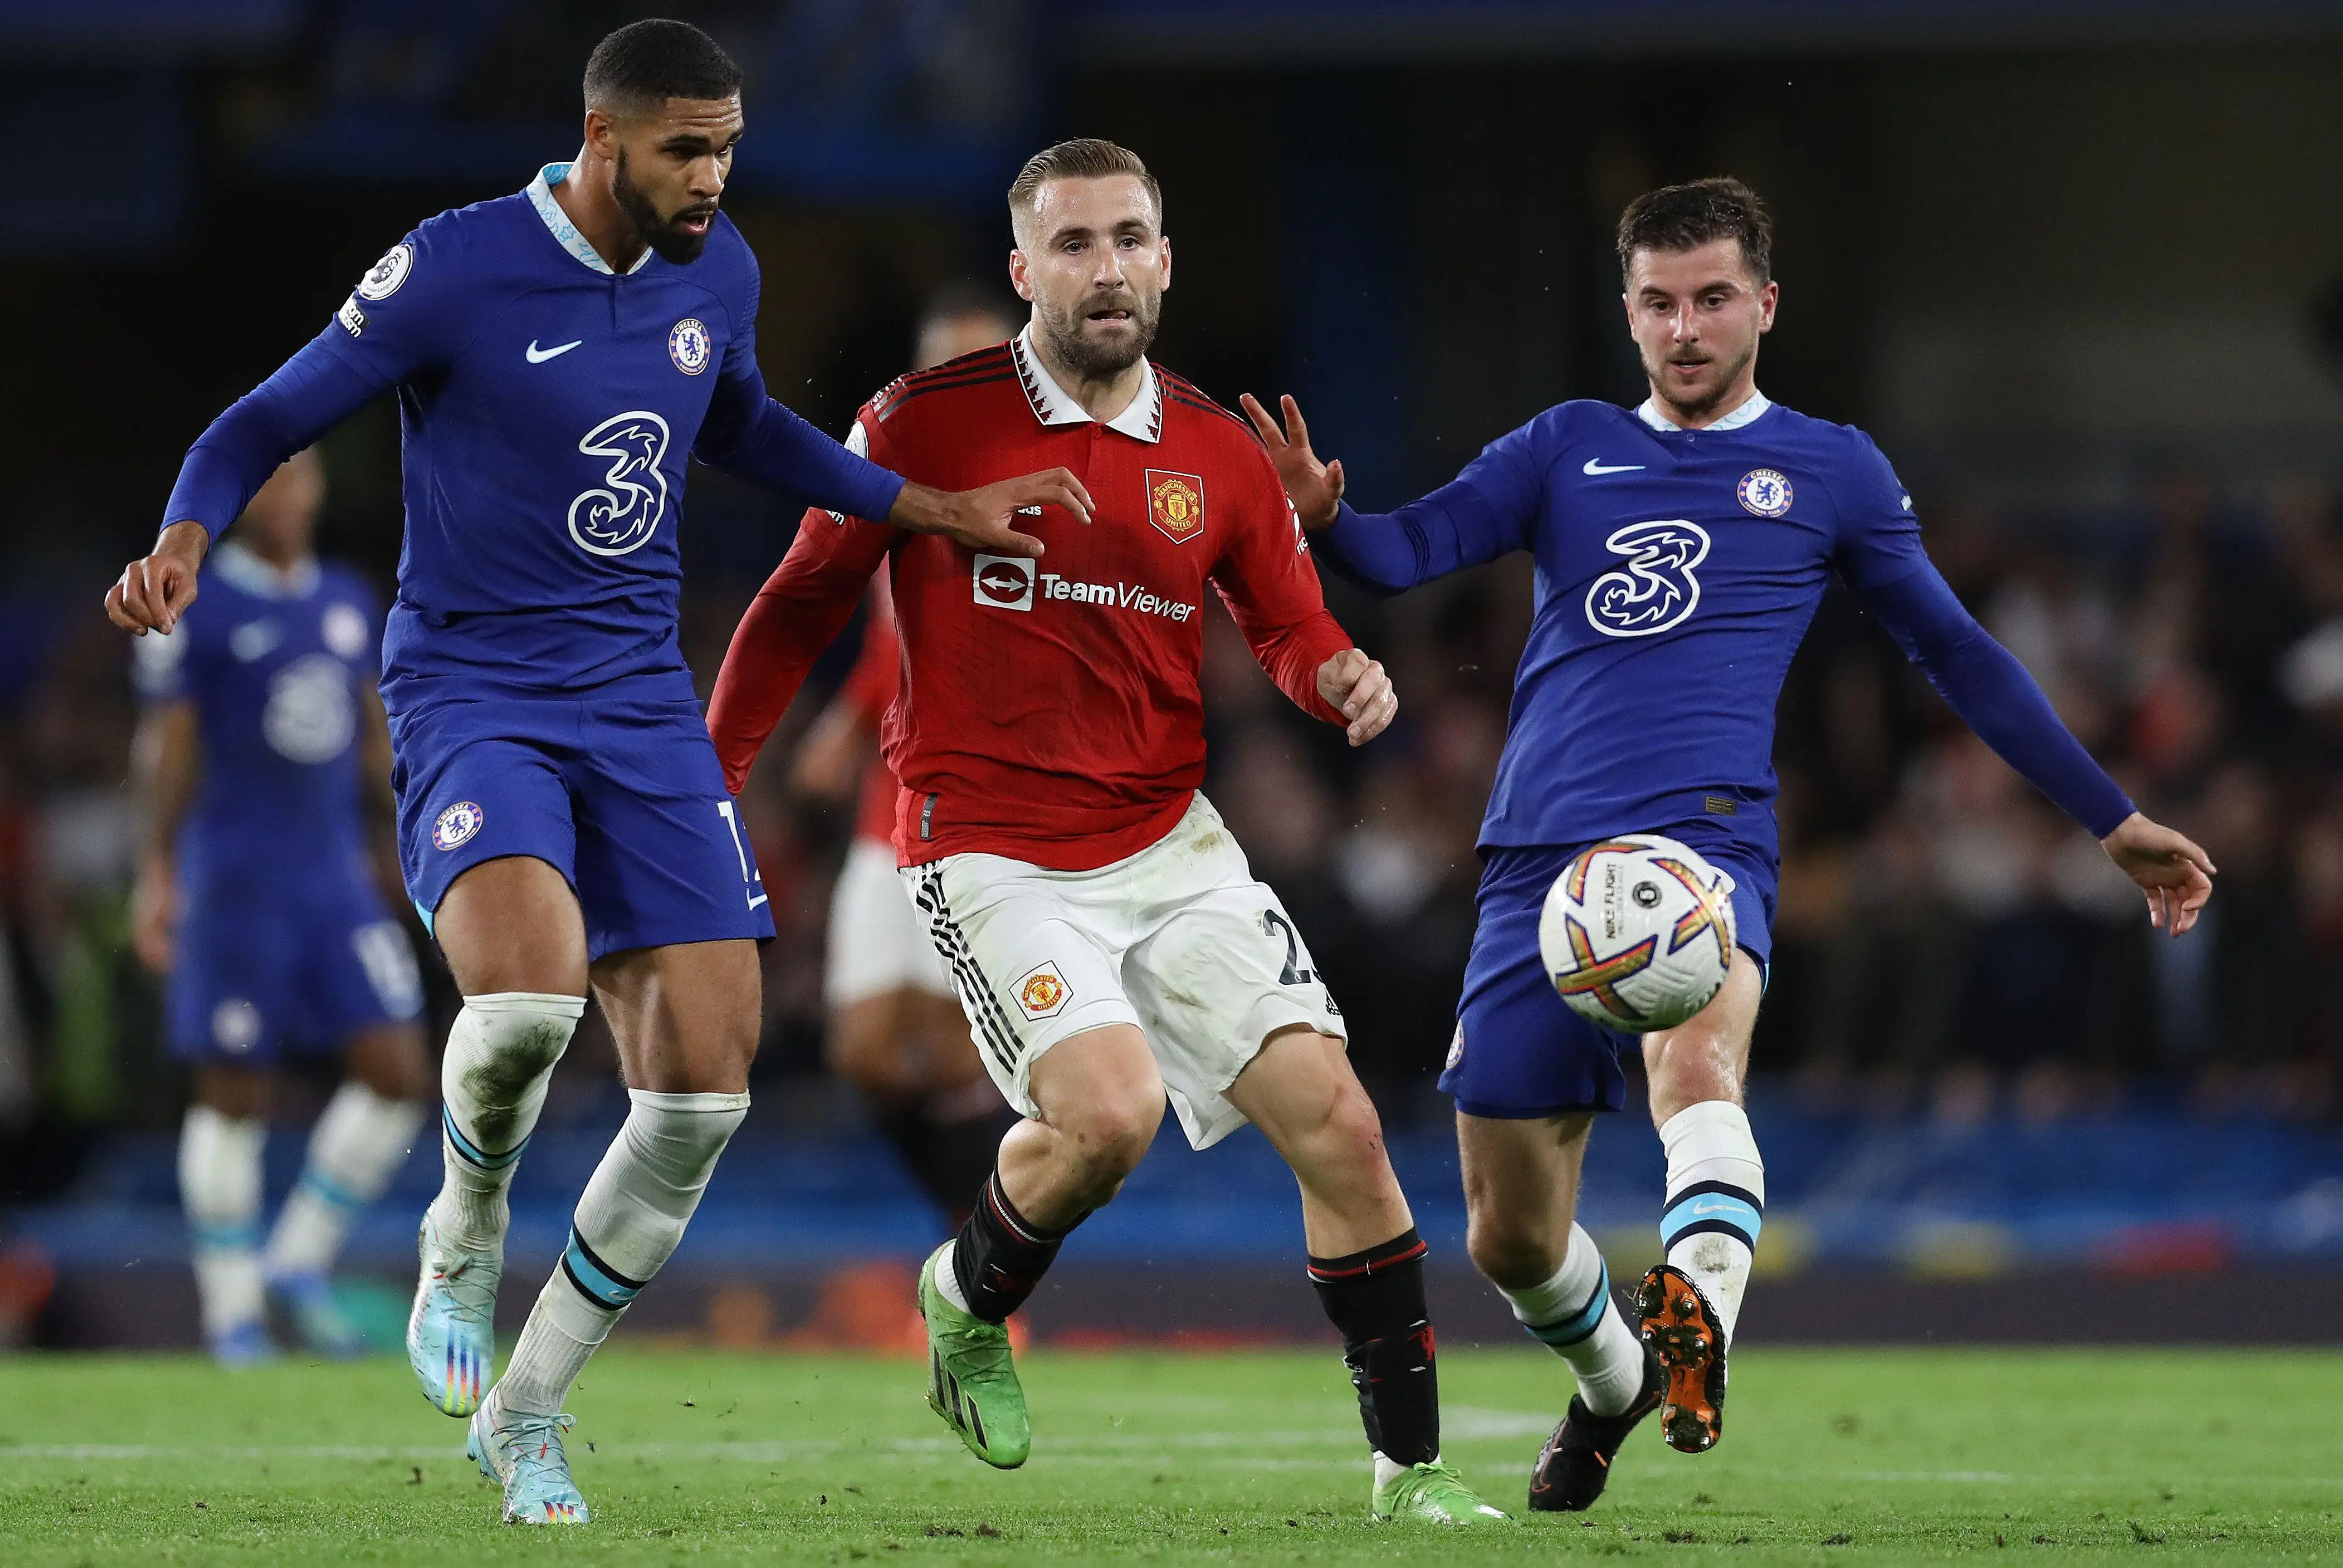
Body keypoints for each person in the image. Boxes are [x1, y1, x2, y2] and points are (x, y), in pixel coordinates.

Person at [104, 19, 1086, 1527]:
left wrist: (925, 505)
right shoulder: (455, 264)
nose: (713, 176)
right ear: (602, 135)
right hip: (473, 683)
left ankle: (531, 1408)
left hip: (636, 699)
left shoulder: (722, 267)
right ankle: (463, 1225)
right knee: (523, 1007)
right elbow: (267, 415)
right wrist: (184, 531)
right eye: (687, 148)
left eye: (729, 147)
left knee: (703, 1092)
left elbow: (745, 422)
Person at [1241, 177, 2215, 1512]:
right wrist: (1323, 518)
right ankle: (1614, 1380)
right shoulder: (1561, 446)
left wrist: (2111, 817)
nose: (1685, 327)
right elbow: (1409, 552)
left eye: (1710, 299)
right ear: (1627, 311)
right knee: (1508, 1231)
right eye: (1658, 302)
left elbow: (1959, 651)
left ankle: (1698, 1320)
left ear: (1765, 303)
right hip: (1537, 858)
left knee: (1698, 1060)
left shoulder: (1833, 469)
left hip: (1706, 838)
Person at [709, 138, 1503, 1525]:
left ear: (1167, 257)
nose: (1108, 267)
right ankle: (965, 1296)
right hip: (990, 844)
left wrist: (1341, 677)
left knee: (1342, 1123)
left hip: (1168, 842)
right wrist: (711, 777)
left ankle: (1413, 1475)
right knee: (1111, 1113)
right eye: (1073, 244)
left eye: (1131, 237)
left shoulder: (1214, 449)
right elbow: (795, 601)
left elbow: (1287, 621)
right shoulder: (918, 420)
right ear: (1024, 272)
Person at [130, 447, 431, 1367]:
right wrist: (156, 868)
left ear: (320, 490)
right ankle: (232, 1317)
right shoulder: (201, 602)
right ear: (241, 495)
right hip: (236, 877)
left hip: (333, 875)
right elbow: (170, 743)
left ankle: (298, 1261)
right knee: (235, 1091)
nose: (288, 497)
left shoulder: (346, 596)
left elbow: (374, 739)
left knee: (399, 1071)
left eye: (301, 479)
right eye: (270, 480)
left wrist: (411, 835)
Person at [789, 289, 1023, 1229]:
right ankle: (974, 1236)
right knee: (866, 1051)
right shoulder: (892, 482)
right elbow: (895, 638)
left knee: (958, 1047)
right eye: (946, 368)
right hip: (890, 802)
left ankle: (985, 1261)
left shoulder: (1053, 485)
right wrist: (848, 721)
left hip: (990, 814)